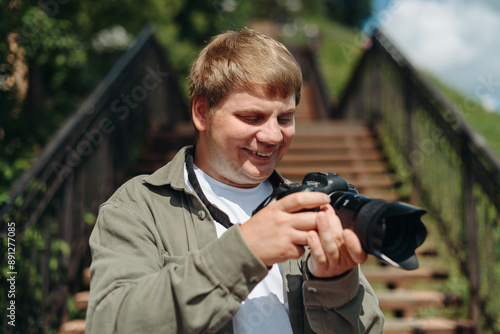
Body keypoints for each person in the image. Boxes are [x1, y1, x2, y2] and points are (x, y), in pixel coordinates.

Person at [86, 28, 384, 334]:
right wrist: (244, 252)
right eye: (252, 118)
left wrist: (333, 285)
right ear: (202, 112)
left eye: (285, 118)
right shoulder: (138, 206)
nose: (273, 136)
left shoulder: (312, 206)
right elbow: (111, 324)